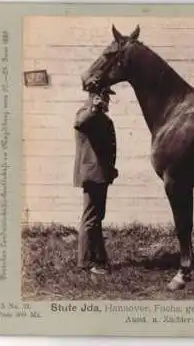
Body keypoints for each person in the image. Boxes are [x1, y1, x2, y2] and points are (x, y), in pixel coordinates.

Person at [73, 87, 118, 275]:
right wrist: (92, 107)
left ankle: (99, 260)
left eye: (107, 97)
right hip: (92, 175)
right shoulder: (86, 114)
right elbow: (80, 123)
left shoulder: (103, 119)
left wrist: (111, 169)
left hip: (102, 175)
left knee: (97, 218)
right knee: (90, 219)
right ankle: (84, 263)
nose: (108, 100)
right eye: (105, 96)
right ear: (96, 97)